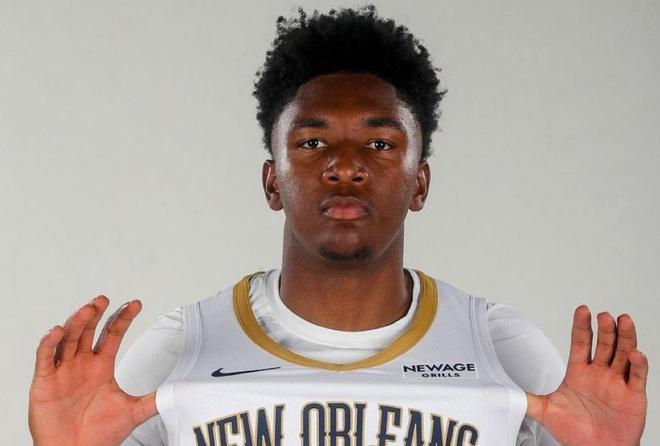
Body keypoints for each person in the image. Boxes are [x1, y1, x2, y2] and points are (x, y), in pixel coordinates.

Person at [28, 5, 648, 446]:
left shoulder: (496, 346)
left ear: (420, 183)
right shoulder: (184, 347)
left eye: (379, 144)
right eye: (312, 141)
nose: (345, 166)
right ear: (272, 182)